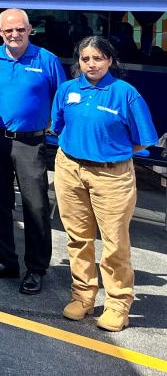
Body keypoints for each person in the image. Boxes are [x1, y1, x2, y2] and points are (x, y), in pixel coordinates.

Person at [52, 36, 157, 332]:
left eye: (98, 58)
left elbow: (142, 140)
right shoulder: (68, 90)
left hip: (112, 175)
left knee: (114, 243)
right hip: (70, 168)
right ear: (78, 62)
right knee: (77, 238)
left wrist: (109, 153)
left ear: (110, 60)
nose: (91, 64)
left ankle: (118, 303)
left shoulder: (125, 94)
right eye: (85, 59)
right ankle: (83, 297)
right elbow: (58, 126)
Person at [0, 8, 66, 295]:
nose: (14, 35)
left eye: (20, 29)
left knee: (35, 206)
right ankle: (6, 261)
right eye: (8, 30)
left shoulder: (47, 60)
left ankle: (36, 268)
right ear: (0, 32)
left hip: (31, 143)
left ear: (30, 30)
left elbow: (62, 99)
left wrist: (56, 128)